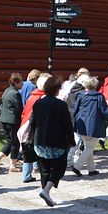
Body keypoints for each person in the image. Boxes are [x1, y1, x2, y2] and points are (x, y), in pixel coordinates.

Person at [28, 74, 75, 206]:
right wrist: (71, 140)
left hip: (39, 141)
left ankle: (46, 193)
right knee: (59, 167)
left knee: (44, 169)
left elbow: (33, 122)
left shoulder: (38, 103)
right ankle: (46, 191)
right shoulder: (61, 105)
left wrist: (31, 137)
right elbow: (67, 125)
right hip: (56, 142)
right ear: (57, 89)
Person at [70, 76, 108, 176]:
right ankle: (77, 167)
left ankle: (91, 169)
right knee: (89, 147)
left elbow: (75, 109)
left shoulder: (81, 95)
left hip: (80, 125)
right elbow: (104, 111)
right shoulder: (99, 96)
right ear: (95, 85)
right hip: (92, 126)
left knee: (88, 146)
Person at [0, 73, 24, 173]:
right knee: (15, 143)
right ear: (16, 82)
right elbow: (19, 108)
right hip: (12, 121)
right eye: (21, 81)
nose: (22, 83)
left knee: (9, 141)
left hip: (4, 119)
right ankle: (13, 165)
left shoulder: (7, 90)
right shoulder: (15, 93)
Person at [19, 74, 49, 184]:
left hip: (26, 124)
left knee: (29, 151)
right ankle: (35, 172)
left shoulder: (32, 95)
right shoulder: (42, 98)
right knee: (36, 150)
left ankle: (27, 174)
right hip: (34, 127)